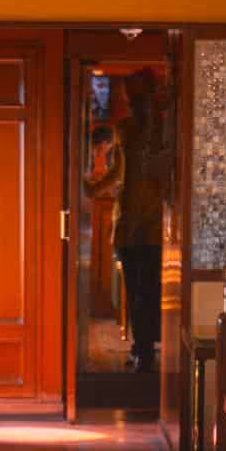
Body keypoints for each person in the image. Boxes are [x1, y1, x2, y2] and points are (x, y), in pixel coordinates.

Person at [115, 90, 166, 375]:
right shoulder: (129, 136)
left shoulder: (158, 137)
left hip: (148, 232)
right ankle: (141, 347)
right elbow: (121, 176)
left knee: (145, 294)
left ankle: (144, 349)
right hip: (132, 231)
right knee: (138, 293)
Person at [82, 119, 123, 327]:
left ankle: (119, 312)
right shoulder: (117, 152)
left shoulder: (119, 153)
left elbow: (113, 178)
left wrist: (91, 188)